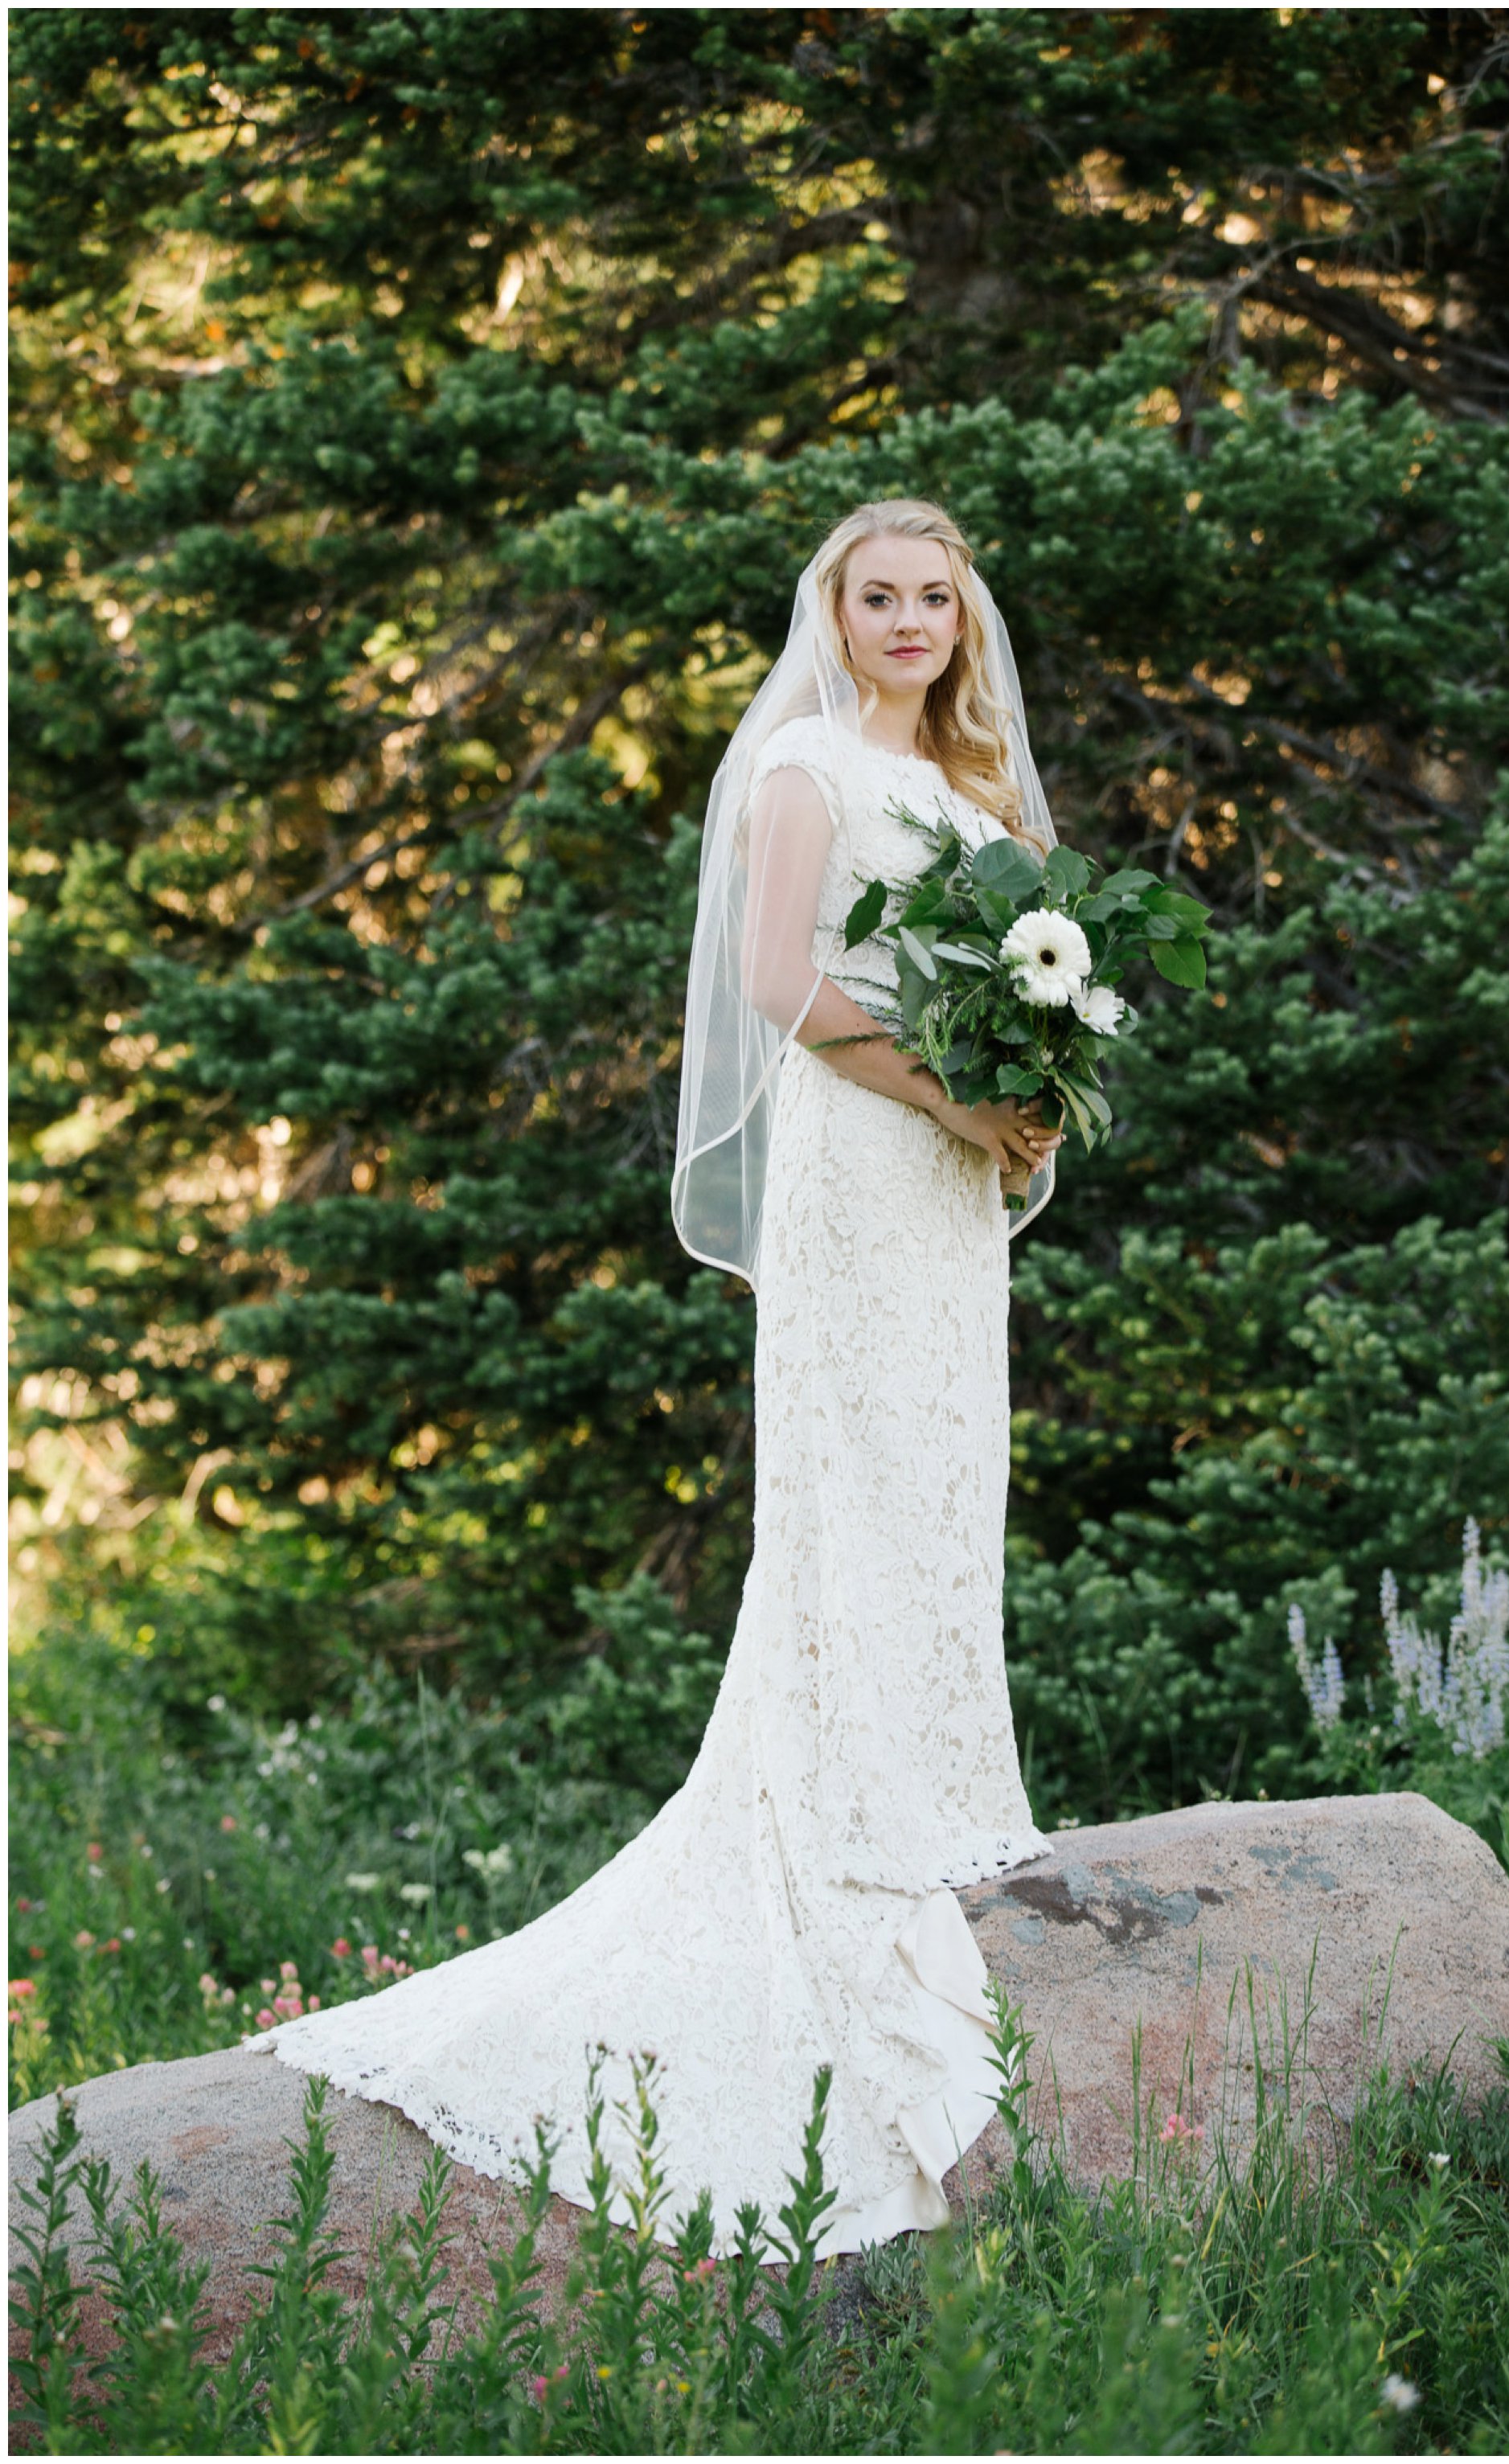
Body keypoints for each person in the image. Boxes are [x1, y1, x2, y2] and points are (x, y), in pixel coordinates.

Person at [244, 498, 1063, 2257]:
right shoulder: (801, 776)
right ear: (832, 616)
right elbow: (779, 985)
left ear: (961, 617)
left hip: (941, 1186)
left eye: (935, 596)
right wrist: (941, 1092)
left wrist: (1018, 1101)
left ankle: (938, 1785)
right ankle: (838, 1812)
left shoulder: (975, 800)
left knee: (943, 1466)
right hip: (858, 1167)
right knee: (850, 1469)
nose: (909, 621)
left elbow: (1004, 982)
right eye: (878, 597)